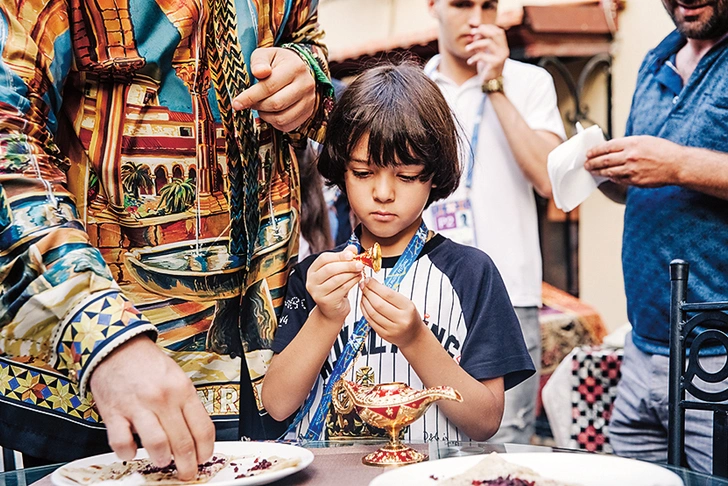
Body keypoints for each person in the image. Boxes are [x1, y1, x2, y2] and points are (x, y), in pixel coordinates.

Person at [0, 1, 334, 478]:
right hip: (92, 381)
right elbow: (8, 134)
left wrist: (306, 75)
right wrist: (103, 333)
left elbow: (304, 37)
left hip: (264, 368)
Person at [261, 64, 535, 442]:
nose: (384, 193)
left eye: (405, 176)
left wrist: (416, 340)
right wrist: (326, 317)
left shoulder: (471, 273)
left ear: (434, 175)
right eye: (363, 172)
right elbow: (277, 403)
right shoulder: (316, 276)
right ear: (341, 171)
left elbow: (486, 421)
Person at [584, 0, 728, 474]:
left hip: (716, 358)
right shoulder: (656, 58)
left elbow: (672, 166)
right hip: (643, 349)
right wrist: (604, 172)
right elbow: (649, 186)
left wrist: (677, 163)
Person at [424, 0, 566, 443]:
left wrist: (496, 84)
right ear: (432, 6)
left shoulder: (529, 81)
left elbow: (548, 177)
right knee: (427, 439)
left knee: (504, 446)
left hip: (509, 292)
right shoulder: (416, 88)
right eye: (462, 4)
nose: (476, 19)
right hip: (425, 293)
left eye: (487, 6)